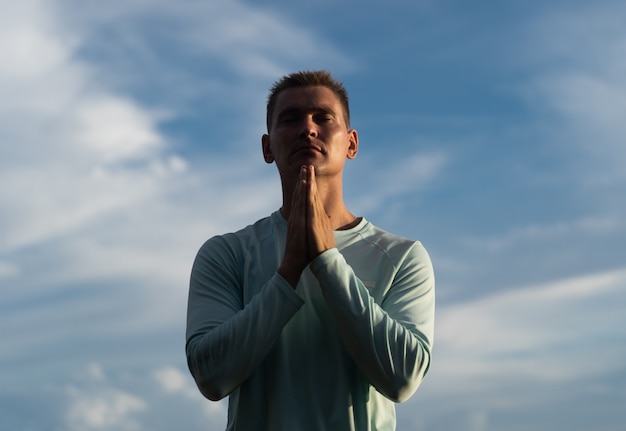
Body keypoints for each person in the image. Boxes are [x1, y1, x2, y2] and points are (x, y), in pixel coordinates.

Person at [185, 70, 435, 431]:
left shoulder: (402, 257)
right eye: (290, 119)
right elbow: (211, 377)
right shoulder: (227, 254)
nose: (308, 128)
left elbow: (403, 379)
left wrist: (327, 261)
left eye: (323, 117)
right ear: (268, 147)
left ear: (351, 144)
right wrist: (288, 273)